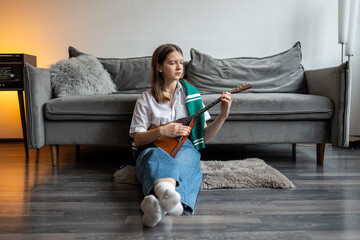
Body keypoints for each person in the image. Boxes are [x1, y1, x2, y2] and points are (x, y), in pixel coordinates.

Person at [129, 43, 231, 227]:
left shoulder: (191, 95)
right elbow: (138, 139)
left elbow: (204, 137)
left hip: (185, 146)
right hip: (154, 146)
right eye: (172, 63)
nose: (179, 68)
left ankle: (158, 207)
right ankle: (173, 205)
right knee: (155, 157)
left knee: (188, 161)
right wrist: (161, 130)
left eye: (181, 63)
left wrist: (223, 116)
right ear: (159, 67)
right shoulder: (146, 99)